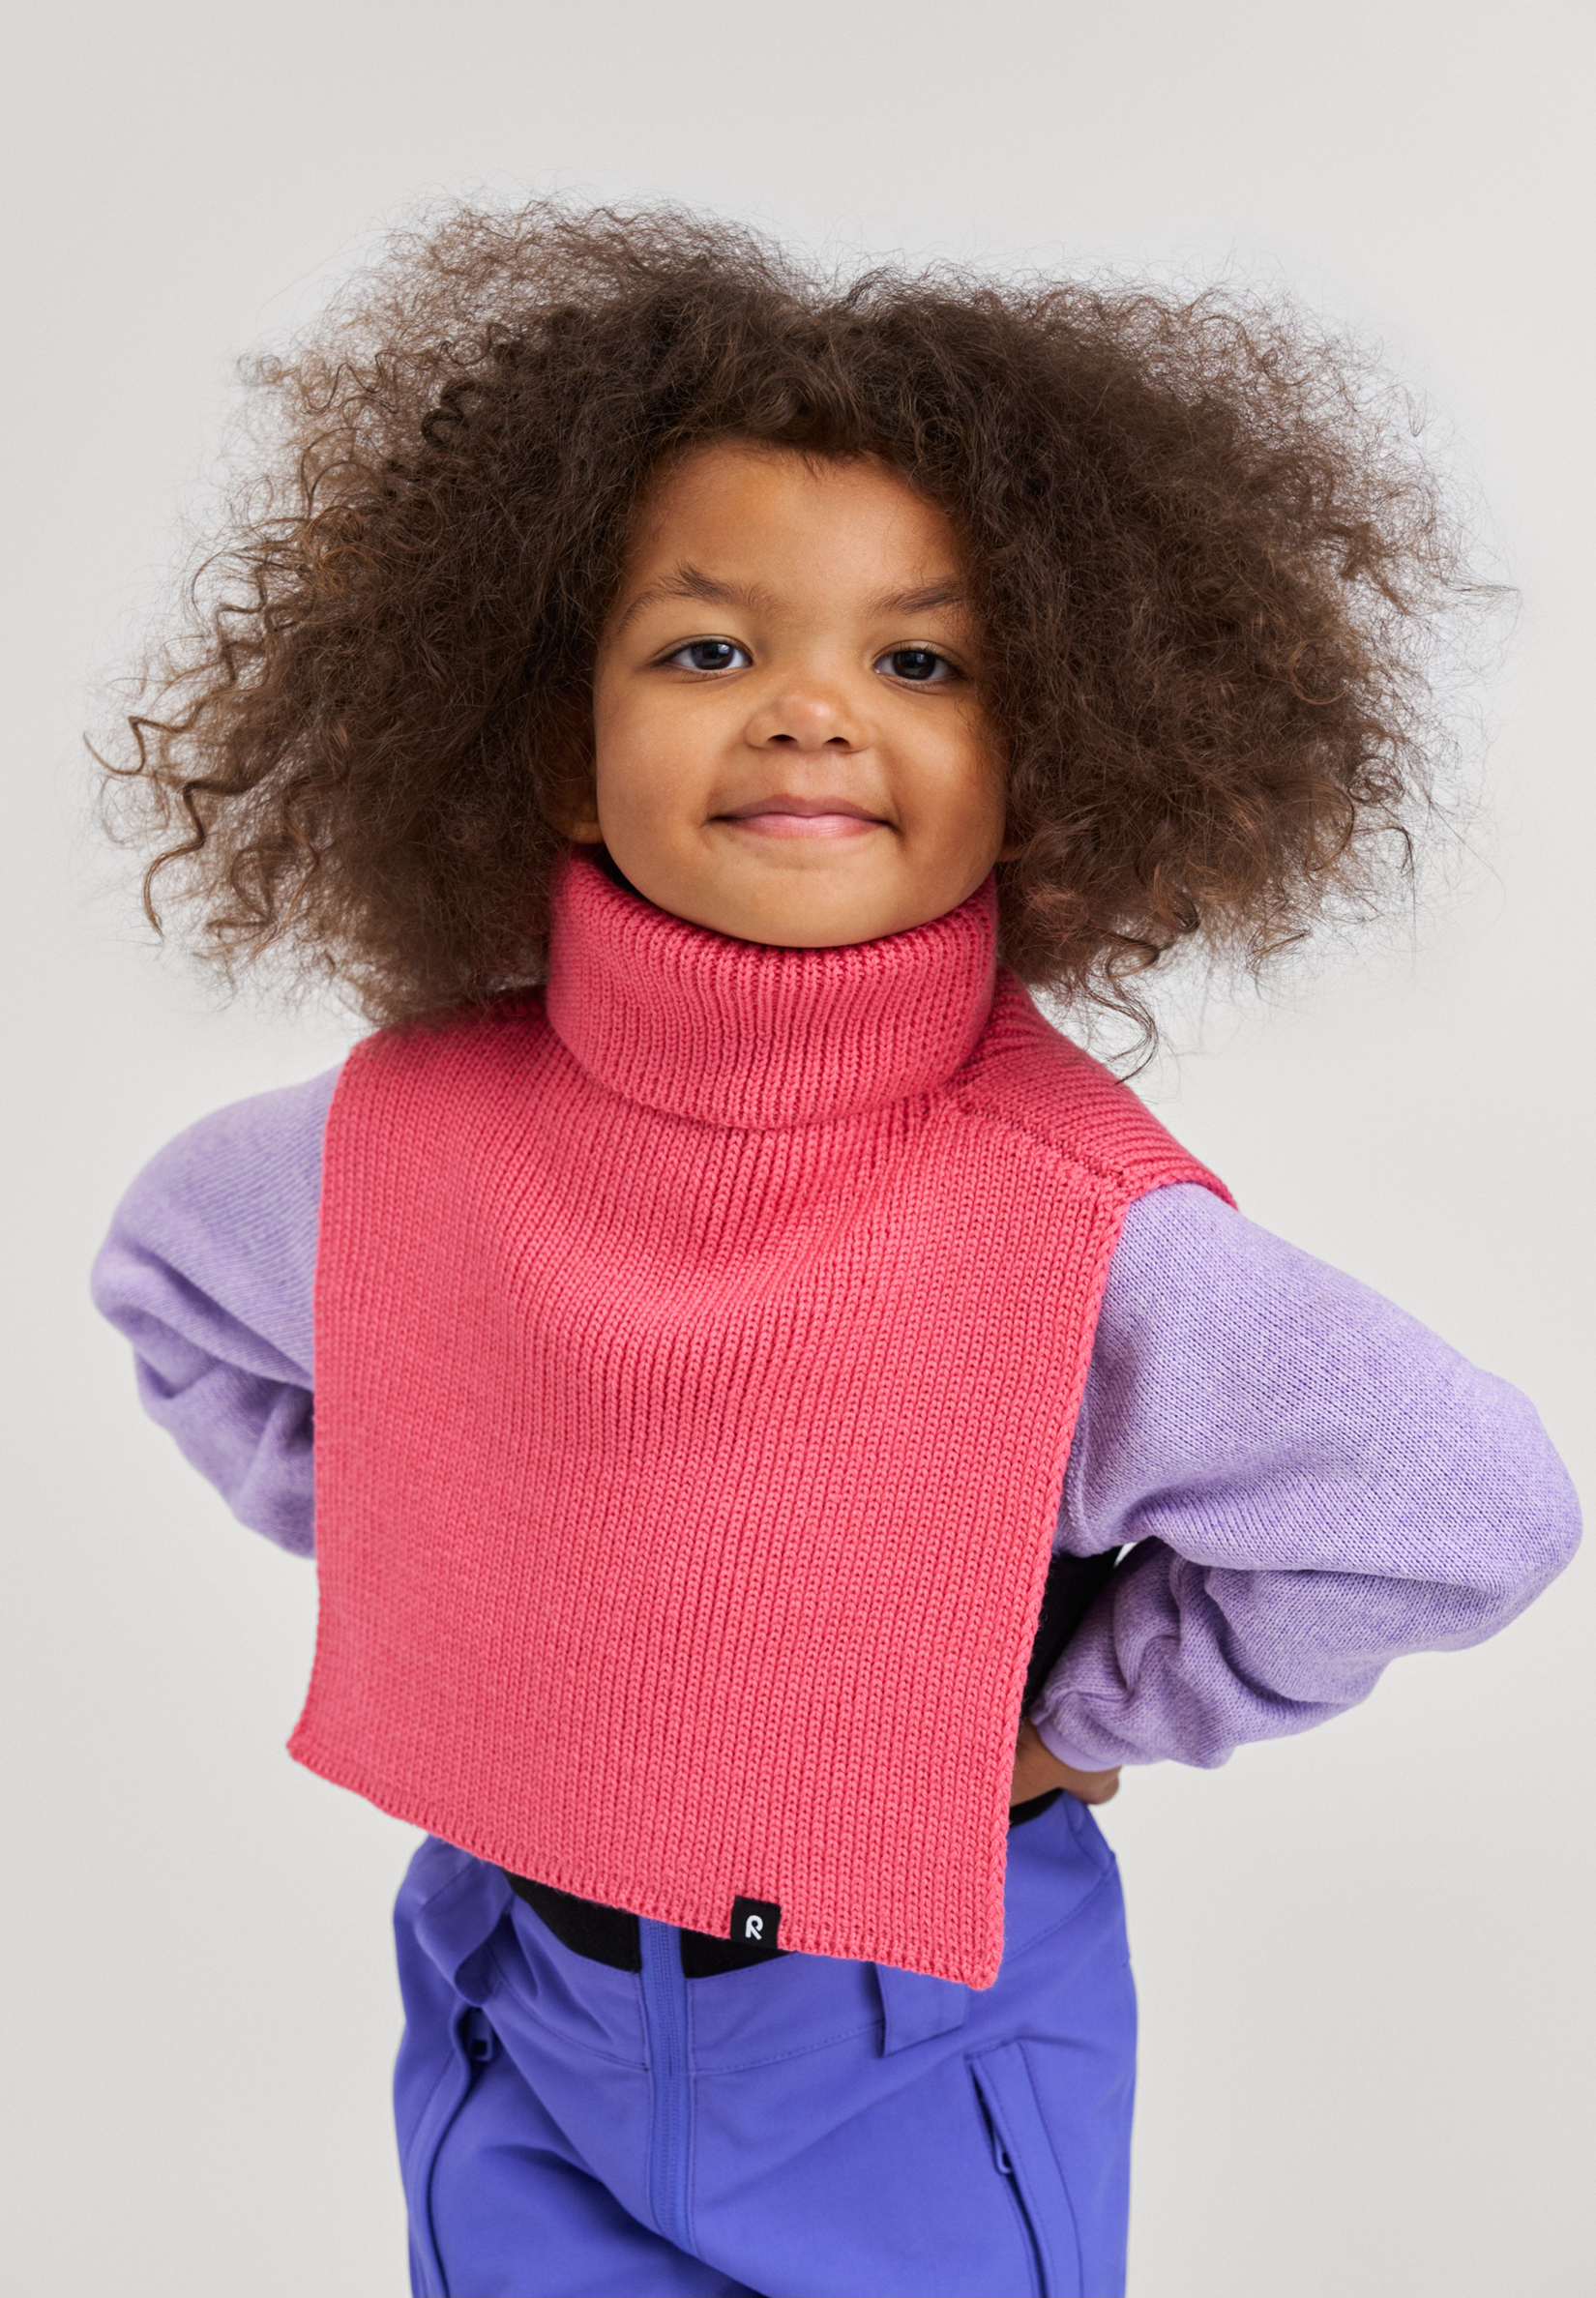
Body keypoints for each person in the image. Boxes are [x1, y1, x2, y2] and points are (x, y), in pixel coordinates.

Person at [91, 204, 1580, 2298]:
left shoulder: (1072, 1233)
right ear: (558, 746)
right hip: (512, 1980)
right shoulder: (390, 1141)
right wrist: (464, 1565)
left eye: (918, 661)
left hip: (905, 2042)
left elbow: (1461, 1504)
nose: (806, 711)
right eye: (709, 650)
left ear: (1042, 763)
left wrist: (1085, 1716)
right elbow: (173, 1290)